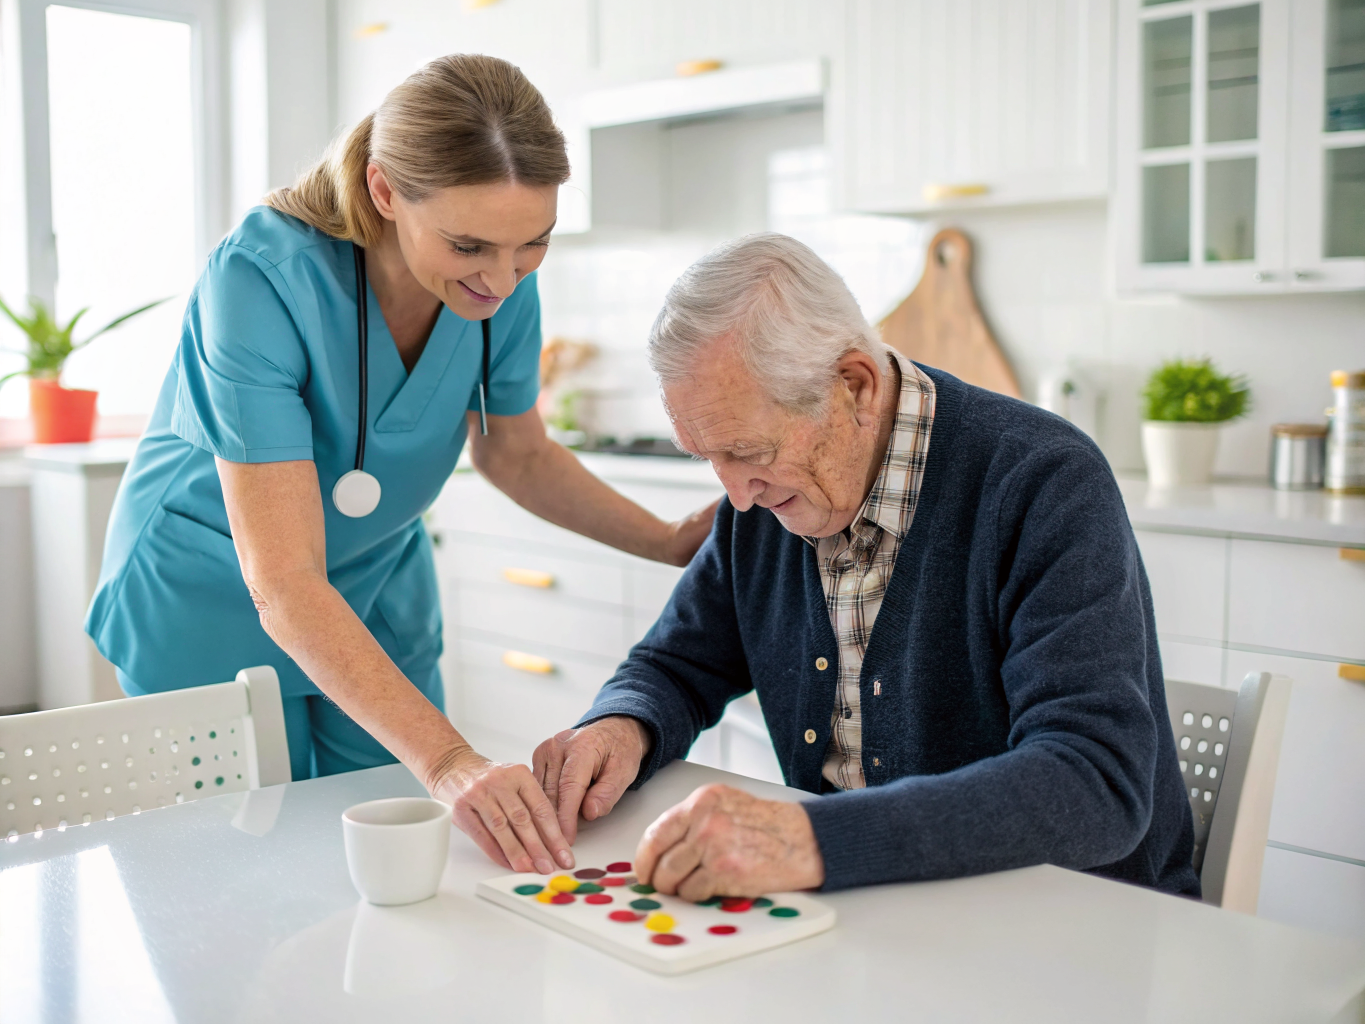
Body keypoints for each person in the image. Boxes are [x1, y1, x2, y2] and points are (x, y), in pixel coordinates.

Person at [85, 55, 715, 877]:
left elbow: (516, 452)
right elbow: (282, 578)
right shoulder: (260, 277)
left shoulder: (498, 281)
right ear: (385, 192)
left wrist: (668, 540)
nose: (501, 276)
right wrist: (453, 761)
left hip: (376, 583)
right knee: (227, 881)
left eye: (534, 244)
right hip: (213, 587)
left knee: (398, 870)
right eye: (469, 245)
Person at [532, 233, 1200, 900]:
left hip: (1068, 921)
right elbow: (677, 664)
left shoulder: (1042, 480)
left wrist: (809, 839)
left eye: (747, 450)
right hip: (867, 904)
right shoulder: (765, 499)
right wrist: (621, 725)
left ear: (854, 385)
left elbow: (1093, 783)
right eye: (705, 455)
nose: (735, 496)